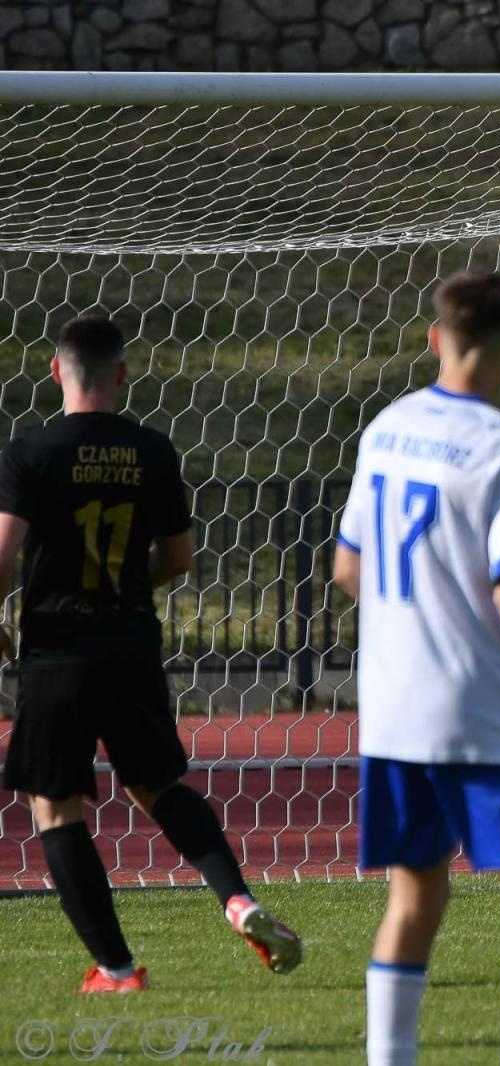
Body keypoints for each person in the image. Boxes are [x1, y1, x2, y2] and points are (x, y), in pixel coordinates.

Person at [0, 315, 301, 993]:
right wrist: (131, 583)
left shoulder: (30, 453)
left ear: (55, 371)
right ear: (122, 376)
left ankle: (115, 969)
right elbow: (179, 558)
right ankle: (238, 900)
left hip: (57, 652)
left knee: (56, 807)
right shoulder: (153, 452)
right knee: (159, 785)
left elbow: (2, 557)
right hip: (131, 644)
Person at [332, 270, 500, 1066]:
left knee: (414, 895)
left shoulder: (386, 427)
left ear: (436, 338)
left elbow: (347, 567)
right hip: (478, 706)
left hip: (394, 708)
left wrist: (411, 619)